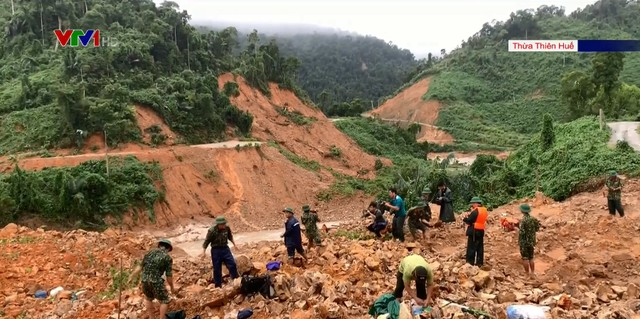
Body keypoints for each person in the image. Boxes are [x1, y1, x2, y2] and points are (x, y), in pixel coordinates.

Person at [129, 239, 176, 319]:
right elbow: (169, 276)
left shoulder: (149, 253)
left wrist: (131, 276)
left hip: (144, 280)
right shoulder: (167, 258)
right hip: (156, 282)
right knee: (164, 300)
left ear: (159, 245)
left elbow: (140, 267)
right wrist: (172, 287)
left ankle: (151, 317)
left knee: (148, 298)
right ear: (168, 249)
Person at [201, 216, 239, 288]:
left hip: (225, 248)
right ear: (218, 225)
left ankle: (236, 280)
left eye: (224, 224)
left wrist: (234, 245)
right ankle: (218, 286)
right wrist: (203, 252)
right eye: (222, 224)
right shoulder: (211, 231)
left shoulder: (227, 228)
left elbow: (230, 237)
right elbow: (206, 241)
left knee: (232, 264)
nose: (224, 225)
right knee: (217, 268)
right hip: (216, 250)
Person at [516, 204, 540, 276]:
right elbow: (537, 228)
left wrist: (515, 228)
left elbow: (522, 232)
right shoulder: (533, 219)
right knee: (531, 257)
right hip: (531, 241)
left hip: (524, 242)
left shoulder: (523, 221)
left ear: (522, 211)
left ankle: (527, 274)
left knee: (525, 258)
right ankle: (532, 272)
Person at [462, 197, 487, 267]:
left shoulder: (475, 211)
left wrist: (465, 219)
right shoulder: (484, 210)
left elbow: (469, 220)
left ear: (476, 203)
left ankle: (470, 262)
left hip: (474, 231)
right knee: (480, 247)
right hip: (481, 231)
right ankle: (479, 262)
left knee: (471, 247)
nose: (472, 205)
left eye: (473, 203)